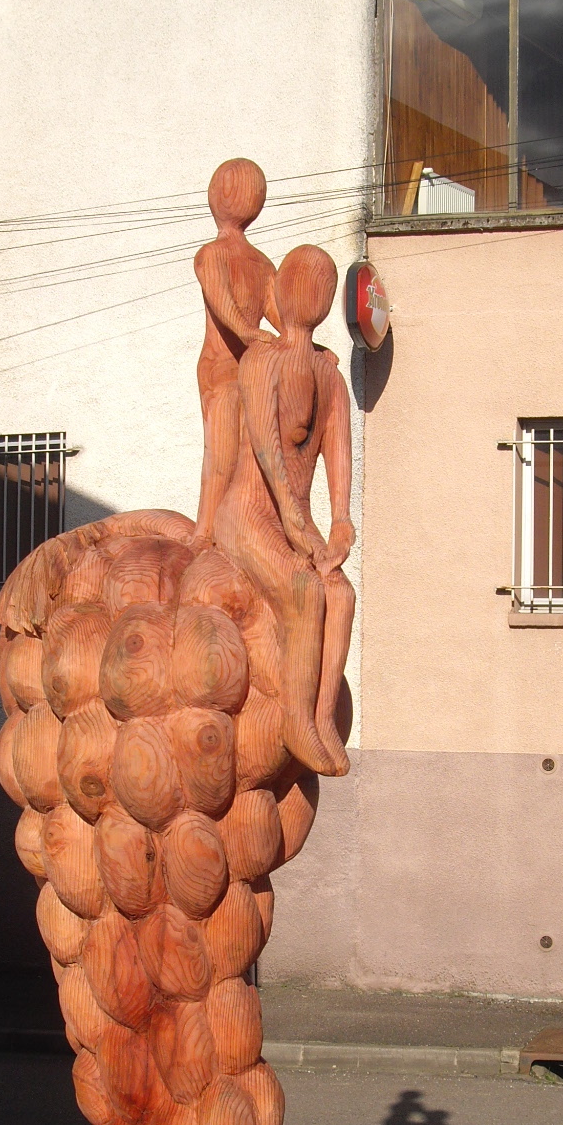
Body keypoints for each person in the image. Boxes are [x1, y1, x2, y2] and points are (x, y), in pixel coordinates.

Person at [216, 243, 354, 777]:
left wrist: (340, 520)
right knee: (304, 589)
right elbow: (268, 450)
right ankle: (296, 719)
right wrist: (298, 526)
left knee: (340, 593)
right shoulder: (262, 361)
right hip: (249, 515)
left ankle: (321, 719)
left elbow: (338, 448)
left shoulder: (329, 374)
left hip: (294, 520)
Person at [192, 158, 277, 544]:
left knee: (253, 457)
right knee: (221, 454)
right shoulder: (211, 256)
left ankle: (239, 531)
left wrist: (308, 345)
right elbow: (221, 300)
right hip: (221, 370)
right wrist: (247, 331)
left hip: (250, 372)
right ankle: (205, 532)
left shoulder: (262, 264)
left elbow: (283, 318)